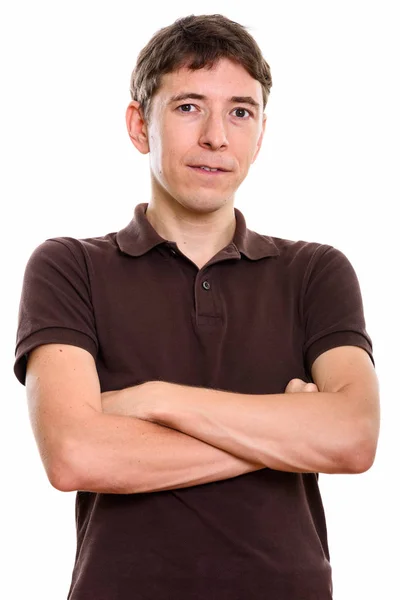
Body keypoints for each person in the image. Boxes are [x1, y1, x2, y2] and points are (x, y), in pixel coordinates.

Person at [14, 13, 380, 600]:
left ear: (260, 134)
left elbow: (354, 439)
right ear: (140, 125)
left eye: (241, 111)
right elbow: (75, 454)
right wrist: (284, 435)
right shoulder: (68, 267)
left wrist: (158, 401)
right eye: (188, 107)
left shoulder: (316, 271)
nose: (216, 136)